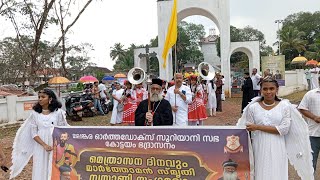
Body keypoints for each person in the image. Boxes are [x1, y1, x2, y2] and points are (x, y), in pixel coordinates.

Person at [237, 78, 314, 180]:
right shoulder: (253, 107)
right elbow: (249, 129)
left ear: (277, 89)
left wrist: (258, 127)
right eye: (265, 89)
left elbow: (283, 130)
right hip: (258, 146)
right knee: (260, 172)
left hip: (278, 146)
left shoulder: (285, 106)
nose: (268, 92)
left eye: (272, 88)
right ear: (260, 90)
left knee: (277, 172)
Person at [10, 89, 69, 180]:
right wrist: (44, 145)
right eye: (39, 97)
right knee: (40, 166)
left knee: (53, 166)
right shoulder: (35, 114)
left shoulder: (58, 112)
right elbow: (33, 133)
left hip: (55, 145)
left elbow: (63, 129)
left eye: (43, 97)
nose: (40, 99)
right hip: (40, 146)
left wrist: (57, 144)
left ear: (50, 99)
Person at [298, 76, 320, 172]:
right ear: (319, 81)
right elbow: (302, 108)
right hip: (313, 134)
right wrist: (314, 117)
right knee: (311, 162)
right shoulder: (310, 94)